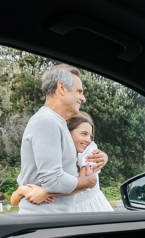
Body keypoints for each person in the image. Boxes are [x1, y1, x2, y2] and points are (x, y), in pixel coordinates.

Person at [15, 64, 108, 214]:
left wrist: (103, 157)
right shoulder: (46, 121)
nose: (83, 99)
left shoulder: (56, 123)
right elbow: (53, 180)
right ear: (62, 88)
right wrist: (87, 182)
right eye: (79, 92)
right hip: (44, 222)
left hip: (52, 221)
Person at [11, 113, 113, 212]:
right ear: (67, 133)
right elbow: (14, 202)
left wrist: (46, 192)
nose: (88, 140)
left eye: (90, 136)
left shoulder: (90, 153)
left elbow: (84, 183)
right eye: (83, 134)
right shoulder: (51, 158)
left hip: (93, 211)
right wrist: (21, 191)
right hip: (66, 214)